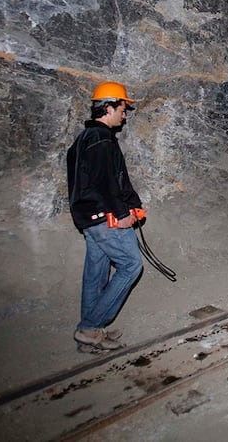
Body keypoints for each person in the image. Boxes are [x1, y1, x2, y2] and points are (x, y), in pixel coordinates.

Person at [65, 81, 144, 352]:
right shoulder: (100, 139)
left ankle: (92, 331)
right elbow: (106, 181)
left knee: (96, 271)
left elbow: (104, 180)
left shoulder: (82, 140)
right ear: (108, 107)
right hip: (105, 217)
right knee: (131, 265)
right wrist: (121, 213)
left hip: (89, 217)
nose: (125, 113)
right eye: (123, 107)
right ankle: (90, 326)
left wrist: (134, 204)